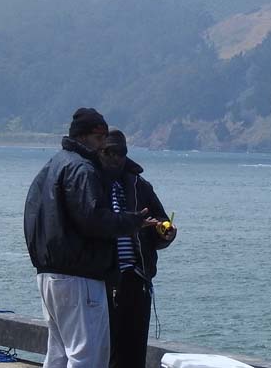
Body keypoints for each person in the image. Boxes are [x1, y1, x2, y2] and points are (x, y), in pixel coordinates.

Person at [24, 108, 156, 368]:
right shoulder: (82, 168)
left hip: (48, 274)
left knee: (59, 352)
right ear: (88, 136)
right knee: (88, 355)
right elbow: (94, 219)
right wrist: (133, 221)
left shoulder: (53, 165)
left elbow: (32, 215)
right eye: (100, 138)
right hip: (79, 276)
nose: (102, 146)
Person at [98, 129, 177, 368]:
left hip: (137, 277)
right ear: (100, 152)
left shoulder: (140, 186)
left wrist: (166, 233)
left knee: (134, 350)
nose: (115, 158)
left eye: (120, 153)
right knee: (107, 349)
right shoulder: (91, 182)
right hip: (105, 279)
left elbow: (161, 222)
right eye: (109, 152)